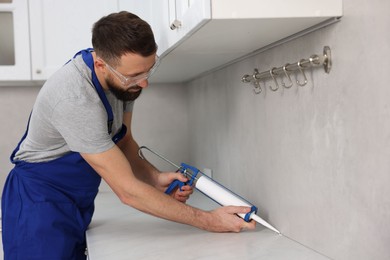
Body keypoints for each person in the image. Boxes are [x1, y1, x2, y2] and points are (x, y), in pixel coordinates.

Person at [1, 11, 255, 259]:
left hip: (75, 202)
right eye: (135, 76)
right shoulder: (74, 98)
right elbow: (128, 191)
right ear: (101, 64)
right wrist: (209, 220)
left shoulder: (124, 84)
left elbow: (122, 141)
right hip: (38, 205)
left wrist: (154, 178)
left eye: (149, 71)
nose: (144, 84)